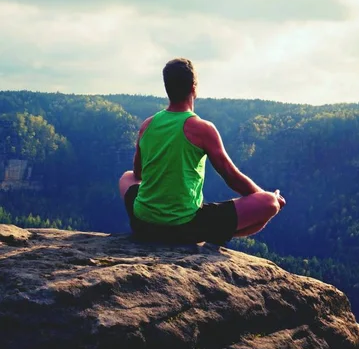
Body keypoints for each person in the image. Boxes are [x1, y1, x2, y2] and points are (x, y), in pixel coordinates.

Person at [118, 57, 286, 244]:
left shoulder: (147, 125)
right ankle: (210, 234)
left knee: (126, 177)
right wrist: (263, 196)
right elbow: (231, 176)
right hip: (182, 228)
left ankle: (178, 224)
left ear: (167, 88)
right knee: (270, 204)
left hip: (142, 224)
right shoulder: (202, 128)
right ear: (194, 87)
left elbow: (138, 173)